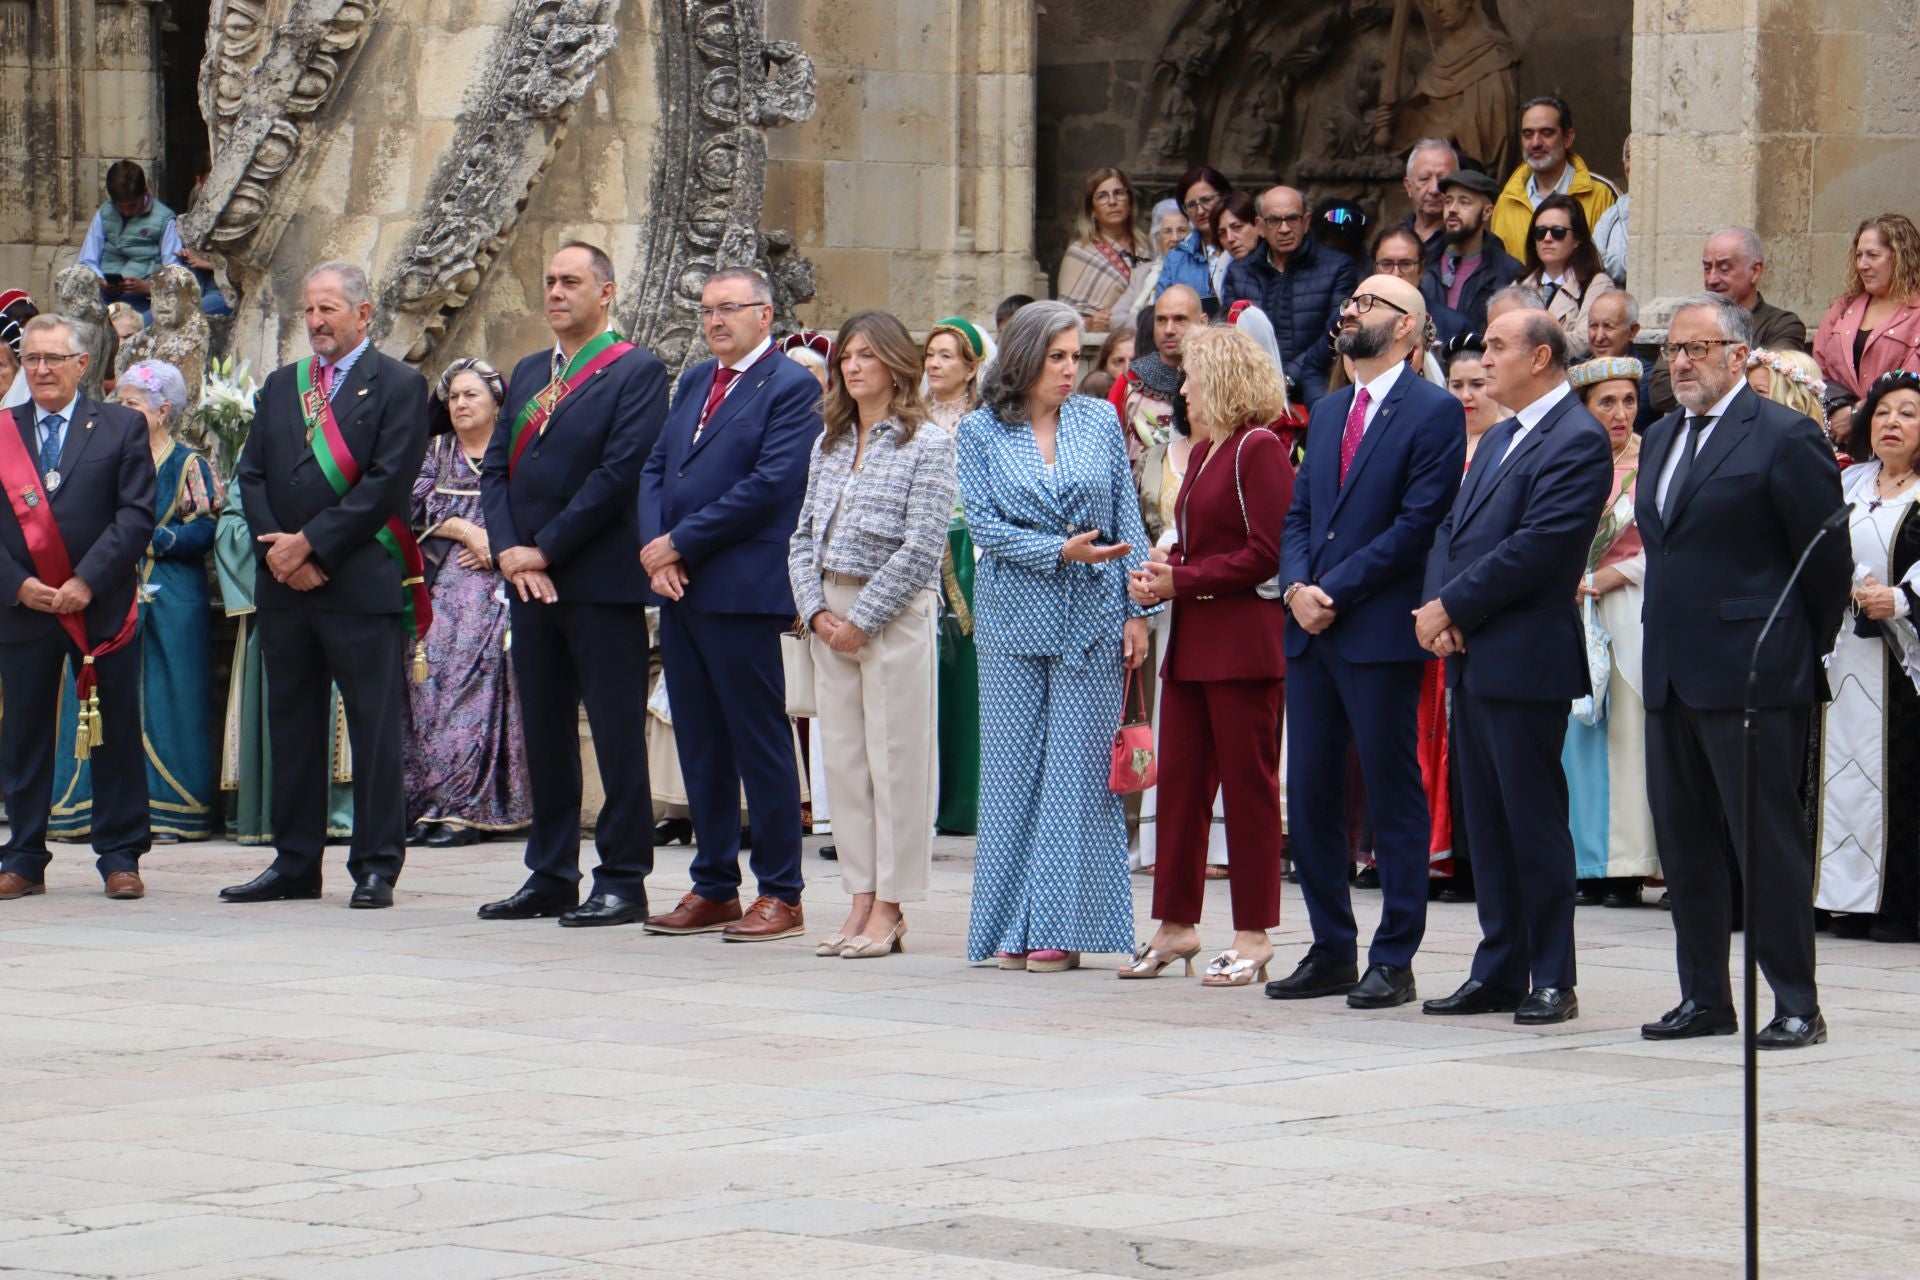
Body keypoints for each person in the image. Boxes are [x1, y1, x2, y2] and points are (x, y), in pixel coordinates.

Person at [1638, 293, 1849, 1049]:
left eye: (1698, 348)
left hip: (1754, 671)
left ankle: (1795, 999)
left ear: (1738, 354)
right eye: (1673, 351)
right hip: (1669, 672)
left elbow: (1824, 564)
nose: (1683, 362)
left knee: (1766, 843)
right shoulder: (1661, 437)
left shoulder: (1783, 436)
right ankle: (1704, 997)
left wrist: (1791, 645)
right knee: (1686, 845)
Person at [1266, 276, 1465, 1009]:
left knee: (1390, 794)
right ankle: (1329, 947)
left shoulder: (1434, 413)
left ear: (1408, 327)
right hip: (1310, 629)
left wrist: (1333, 591)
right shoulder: (1326, 412)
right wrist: (1295, 589)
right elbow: (1299, 515)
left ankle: (1395, 955)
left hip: (1376, 629)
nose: (1351, 310)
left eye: (1369, 303)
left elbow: (1417, 526)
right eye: (1350, 301)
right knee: (1311, 793)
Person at [1417, 309, 1613, 1025]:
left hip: (1525, 655)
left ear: (1540, 357)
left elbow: (1541, 546)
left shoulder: (1578, 439)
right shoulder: (1500, 436)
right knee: (1488, 824)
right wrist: (1440, 606)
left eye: (1497, 347)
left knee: (1533, 820)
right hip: (1471, 650)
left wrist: (1453, 609)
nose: (1484, 359)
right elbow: (1453, 528)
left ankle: (1553, 974)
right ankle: (1499, 966)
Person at [957, 300, 1156, 972]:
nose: (1071, 369)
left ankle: (1061, 926)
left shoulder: (1100, 420)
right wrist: (1057, 552)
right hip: (1013, 620)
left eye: (1077, 357)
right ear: (1025, 358)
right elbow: (982, 525)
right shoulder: (981, 430)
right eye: (1057, 357)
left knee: (1076, 780)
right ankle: (1011, 922)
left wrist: (1138, 613)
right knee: (1011, 779)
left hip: (1094, 621)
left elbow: (1127, 514)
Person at [225, 262, 430, 910]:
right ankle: (293, 862)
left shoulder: (400, 385)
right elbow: (252, 474)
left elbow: (386, 483)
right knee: (292, 725)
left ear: (363, 315)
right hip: (287, 587)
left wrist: (310, 544)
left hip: (358, 583)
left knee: (373, 730)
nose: (315, 322)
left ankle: (374, 865)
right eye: (309, 311)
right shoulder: (284, 385)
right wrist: (282, 556)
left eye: (329, 310)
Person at [472, 244, 666, 926]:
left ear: (606, 293)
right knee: (544, 734)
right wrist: (507, 553)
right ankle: (550, 872)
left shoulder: (637, 371)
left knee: (615, 735)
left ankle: (622, 878)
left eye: (570, 282)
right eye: (549, 281)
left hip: (600, 582)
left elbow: (618, 475)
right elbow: (494, 470)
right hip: (529, 586)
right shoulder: (528, 370)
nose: (555, 292)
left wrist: (542, 550)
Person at [640, 267, 819, 942]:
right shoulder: (692, 382)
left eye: (729, 309)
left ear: (765, 316)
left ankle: (781, 890)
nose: (715, 320)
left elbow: (772, 485)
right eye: (708, 310)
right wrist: (655, 545)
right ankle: (714, 883)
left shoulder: (790, 386)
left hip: (741, 587)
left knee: (757, 738)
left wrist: (679, 542)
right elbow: (657, 467)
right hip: (681, 585)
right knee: (701, 739)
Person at [1121, 325, 1293, 986]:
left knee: (1249, 792)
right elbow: (1206, 547)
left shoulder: (1259, 449)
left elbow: (1268, 552)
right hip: (1193, 642)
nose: (1183, 390)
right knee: (1182, 790)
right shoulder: (1207, 451)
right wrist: (1164, 568)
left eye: (1192, 377)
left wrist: (1182, 579)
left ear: (1222, 380)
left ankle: (1254, 935)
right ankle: (1176, 924)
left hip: (1243, 645)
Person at [789, 311, 957, 959]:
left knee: (896, 760)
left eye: (865, 355)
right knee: (848, 764)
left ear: (894, 362)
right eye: (844, 358)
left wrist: (863, 618)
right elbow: (803, 534)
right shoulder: (828, 442)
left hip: (890, 613)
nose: (852, 367)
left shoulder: (929, 443)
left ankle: (891, 904)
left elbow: (922, 545)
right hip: (828, 610)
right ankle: (859, 896)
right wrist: (816, 609)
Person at [0, 314, 156, 903]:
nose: (41, 370)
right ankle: (23, 858)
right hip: (24, 610)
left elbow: (136, 515)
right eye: (31, 360)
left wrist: (87, 581)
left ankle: (120, 856)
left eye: (53, 359)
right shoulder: (1, 430)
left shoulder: (120, 426)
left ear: (82, 365)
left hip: (100, 609)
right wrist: (16, 584)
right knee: (24, 735)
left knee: (115, 731)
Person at [50, 359, 218, 844]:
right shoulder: (98, 457)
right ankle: (81, 808)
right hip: (103, 591)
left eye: (130, 403)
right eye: (117, 401)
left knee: (170, 698)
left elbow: (206, 527)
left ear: (163, 411)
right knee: (93, 692)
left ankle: (170, 810)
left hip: (172, 598)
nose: (118, 410)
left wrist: (150, 539)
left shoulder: (189, 463)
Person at [403, 358, 530, 850]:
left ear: (497, 403)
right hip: (438, 593)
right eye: (453, 396)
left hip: (498, 592)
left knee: (479, 693)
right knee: (428, 688)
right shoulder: (436, 450)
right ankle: (431, 803)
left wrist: (497, 546)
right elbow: (413, 503)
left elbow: (535, 507)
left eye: (471, 395)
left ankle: (468, 807)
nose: (459, 404)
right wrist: (462, 529)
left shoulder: (515, 451)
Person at [1817, 370, 1920, 943]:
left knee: (1896, 772)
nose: (1892, 423)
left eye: (1907, 413)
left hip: (1902, 660)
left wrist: (1903, 597)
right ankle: (1840, 896)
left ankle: (1896, 902)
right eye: (1882, 412)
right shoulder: (1849, 483)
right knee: (1838, 773)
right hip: (1843, 654)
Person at [1563, 357, 1658, 909]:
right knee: (1578, 737)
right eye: (1607, 403)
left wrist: (1607, 577)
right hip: (1571, 608)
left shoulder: (1653, 460)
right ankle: (1584, 861)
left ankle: (1627, 863)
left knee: (1628, 732)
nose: (1620, 413)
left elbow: (1667, 539)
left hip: (1628, 605)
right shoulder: (1572, 460)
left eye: (1628, 400)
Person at [215, 472, 354, 844]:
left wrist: (316, 549)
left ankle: (345, 816)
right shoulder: (263, 438)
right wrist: (283, 560)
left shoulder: (358, 424)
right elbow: (233, 522)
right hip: (277, 588)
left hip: (344, 582)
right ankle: (285, 824)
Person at [923, 317, 990, 835]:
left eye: (947, 355)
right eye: (931, 353)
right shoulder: (911, 418)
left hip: (970, 554)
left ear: (971, 368)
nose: (935, 363)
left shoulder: (985, 423)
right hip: (920, 551)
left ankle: (965, 803)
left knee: (964, 678)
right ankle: (919, 803)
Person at [1648, 227, 1809, 414]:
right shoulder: (1690, 321)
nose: (1712, 279)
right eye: (1707, 268)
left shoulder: (1782, 325)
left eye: (1724, 269)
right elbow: (1660, 390)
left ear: (1755, 271)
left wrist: (1700, 392)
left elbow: (1772, 385)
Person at [1223, 185, 1357, 404]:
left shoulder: (1338, 267)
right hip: (1253, 391)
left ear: (1306, 223)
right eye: (1274, 221)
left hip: (1318, 387)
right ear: (1260, 227)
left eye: (1292, 219)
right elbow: (1232, 336)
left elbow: (1337, 329)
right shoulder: (1239, 272)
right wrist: (1266, 382)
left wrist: (1289, 376)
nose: (1284, 229)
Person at [1814, 214, 1920, 444]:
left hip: (1897, 442)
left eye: (1873, 255)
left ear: (1901, 258)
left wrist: (1858, 415)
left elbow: (1911, 381)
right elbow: (1817, 369)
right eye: (1859, 255)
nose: (1862, 265)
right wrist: (1839, 410)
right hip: (1837, 439)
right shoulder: (1844, 307)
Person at [1490, 98, 1619, 262]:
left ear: (1567, 138)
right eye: (1528, 134)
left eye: (1546, 133)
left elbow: (1614, 267)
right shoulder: (1506, 201)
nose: (1535, 143)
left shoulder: (1602, 194)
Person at [1108, 284, 1205, 465]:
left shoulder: (1220, 382)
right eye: (1161, 320)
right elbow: (1108, 450)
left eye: (1179, 319)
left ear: (1203, 322)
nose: (1168, 329)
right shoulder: (1130, 382)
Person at [1422, 169, 1521, 337]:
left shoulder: (1509, 272)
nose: (1452, 209)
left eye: (1464, 202)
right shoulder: (1422, 261)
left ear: (1487, 212)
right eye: (1448, 201)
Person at [75, 161, 179, 317]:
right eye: (120, 206)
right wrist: (101, 279)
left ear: (145, 191)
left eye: (131, 206)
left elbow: (174, 270)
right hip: (105, 290)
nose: (126, 212)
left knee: (121, 320)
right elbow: (87, 259)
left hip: (142, 296)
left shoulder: (165, 220)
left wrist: (148, 288)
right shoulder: (105, 213)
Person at [1518, 194, 1615, 358]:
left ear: (1577, 238)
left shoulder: (1597, 284)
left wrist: (1524, 344)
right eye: (1540, 232)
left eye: (1557, 232)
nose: (1547, 239)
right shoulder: (1519, 285)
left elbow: (1584, 341)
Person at [1057, 168, 1153, 333]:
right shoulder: (1080, 253)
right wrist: (1091, 323)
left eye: (1119, 193)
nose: (1112, 201)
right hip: (1102, 348)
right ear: (1092, 211)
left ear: (1129, 202)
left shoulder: (1149, 248)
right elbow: (1063, 320)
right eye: (1102, 196)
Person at [1375, 224, 1465, 346]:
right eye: (1386, 264)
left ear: (1421, 269)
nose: (1396, 273)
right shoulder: (1358, 319)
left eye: (1406, 264)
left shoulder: (1455, 327)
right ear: (1375, 269)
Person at [1157, 166, 1235, 305]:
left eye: (1206, 200)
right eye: (1191, 205)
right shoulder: (1177, 256)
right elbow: (1160, 310)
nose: (1200, 211)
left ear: (1224, 197)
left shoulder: (1243, 245)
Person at [1401, 139, 1458, 264]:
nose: (1434, 190)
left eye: (1442, 180)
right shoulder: (1395, 239)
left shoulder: (1469, 241)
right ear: (1408, 186)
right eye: (1424, 179)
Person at [1126, 201, 1190, 306]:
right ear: (1158, 239)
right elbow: (1117, 317)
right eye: (1168, 231)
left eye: (1182, 230)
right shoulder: (1141, 273)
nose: (1175, 238)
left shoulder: (1199, 270)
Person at [1592, 137, 1632, 286]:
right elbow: (1594, 264)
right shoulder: (1610, 216)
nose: (1636, 163)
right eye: (1629, 157)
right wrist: (1631, 262)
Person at [1586, 290, 1639, 360]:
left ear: (1632, 331)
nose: (1599, 337)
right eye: (1593, 325)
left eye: (1608, 326)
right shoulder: (1576, 368)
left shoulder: (1642, 370)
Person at [1215, 191, 1265, 265]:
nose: (1230, 238)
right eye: (1222, 233)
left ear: (1257, 225)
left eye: (1237, 227)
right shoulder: (1224, 267)